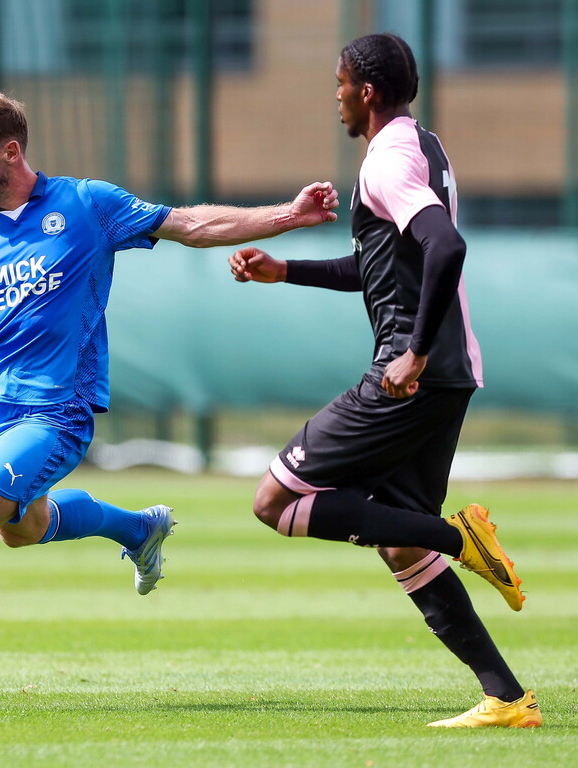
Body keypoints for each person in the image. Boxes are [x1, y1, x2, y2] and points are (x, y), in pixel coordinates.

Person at [0, 92, 340, 706]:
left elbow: (191, 224)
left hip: (56, 414)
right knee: (22, 530)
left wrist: (288, 216)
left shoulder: (86, 205)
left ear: (11, 150)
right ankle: (138, 529)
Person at [228, 33, 540, 728]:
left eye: (338, 84)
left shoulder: (387, 161)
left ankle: (462, 538)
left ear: (364, 91)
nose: (334, 96)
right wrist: (288, 271)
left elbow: (445, 247)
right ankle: (507, 698)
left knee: (275, 499)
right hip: (448, 375)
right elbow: (381, 266)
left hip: (413, 375)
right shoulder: (422, 147)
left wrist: (416, 352)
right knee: (403, 543)